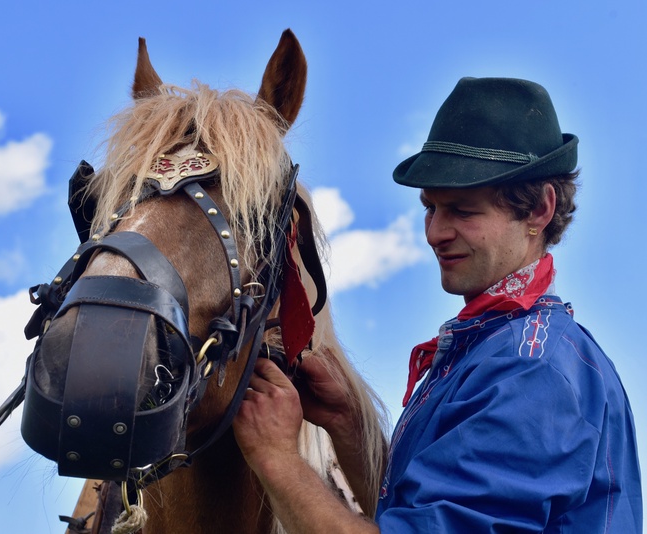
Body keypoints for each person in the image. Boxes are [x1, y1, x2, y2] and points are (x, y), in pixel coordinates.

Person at [233, 77, 642, 533]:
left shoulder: (531, 369)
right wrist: (346, 423)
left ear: (539, 210)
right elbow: (412, 516)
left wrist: (277, 459)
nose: (434, 233)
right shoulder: (496, 347)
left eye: (463, 211)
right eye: (430, 208)